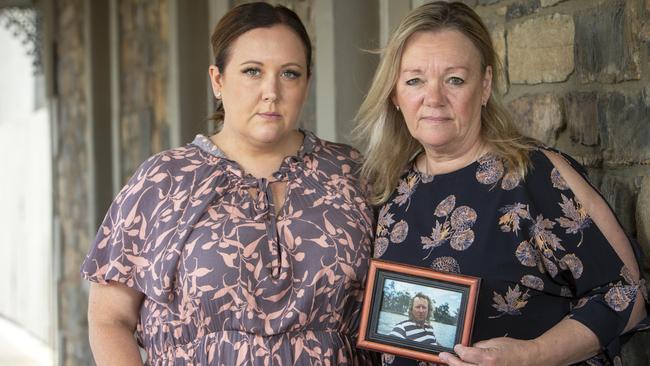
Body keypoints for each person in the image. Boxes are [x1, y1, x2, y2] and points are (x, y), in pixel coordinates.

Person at [354, 1, 648, 365]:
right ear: (395, 94)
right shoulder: (388, 187)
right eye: (414, 80)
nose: (433, 98)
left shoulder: (534, 176)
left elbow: (625, 295)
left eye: (455, 80)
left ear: (485, 86)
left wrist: (532, 355)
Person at [81, 3, 375, 365]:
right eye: (252, 71)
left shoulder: (350, 174)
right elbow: (109, 319)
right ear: (217, 80)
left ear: (308, 82)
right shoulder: (163, 181)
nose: (271, 91)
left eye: (290, 74)